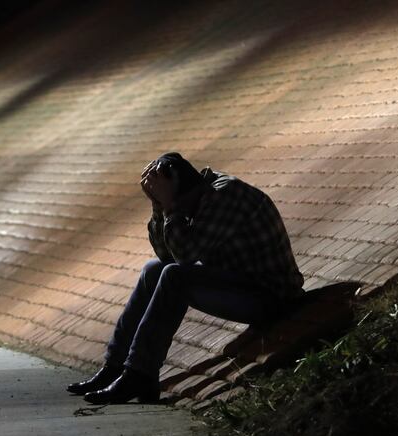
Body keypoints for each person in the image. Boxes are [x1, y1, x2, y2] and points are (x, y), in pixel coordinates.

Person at [67, 152, 305, 404]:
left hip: (272, 298)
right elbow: (164, 253)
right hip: (241, 284)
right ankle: (115, 367)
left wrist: (170, 207)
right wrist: (159, 206)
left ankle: (139, 373)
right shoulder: (196, 194)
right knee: (153, 269)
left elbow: (184, 256)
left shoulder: (223, 196)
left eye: (176, 202)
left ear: (185, 190)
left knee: (174, 277)